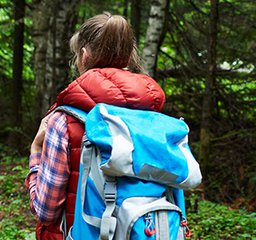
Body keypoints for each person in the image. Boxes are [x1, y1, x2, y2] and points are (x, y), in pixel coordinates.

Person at [26, 12, 166, 239]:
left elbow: (45, 210)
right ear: (130, 55)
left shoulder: (63, 122)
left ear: (83, 55)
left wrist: (35, 154)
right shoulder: (152, 116)